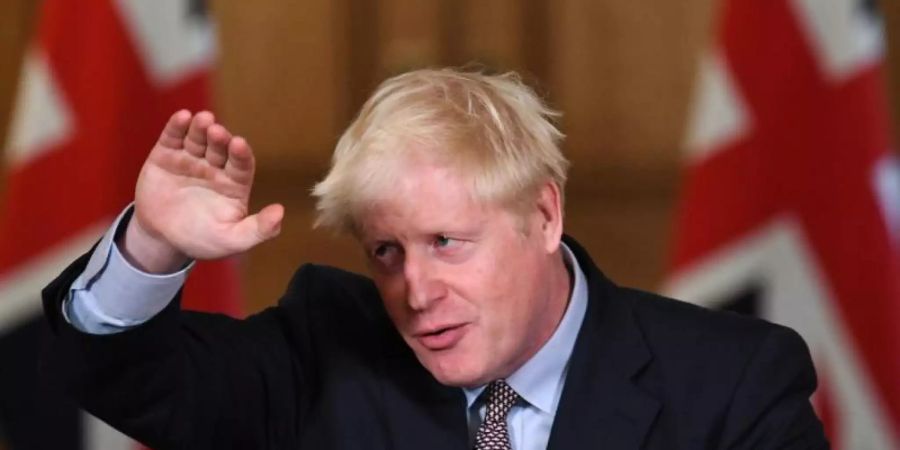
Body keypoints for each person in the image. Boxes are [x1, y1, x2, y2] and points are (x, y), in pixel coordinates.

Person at [41, 68, 829, 449]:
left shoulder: (733, 384)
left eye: (447, 242)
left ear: (544, 213)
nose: (415, 290)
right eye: (387, 251)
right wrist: (153, 245)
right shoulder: (327, 351)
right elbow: (120, 377)